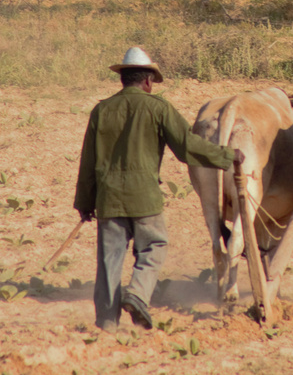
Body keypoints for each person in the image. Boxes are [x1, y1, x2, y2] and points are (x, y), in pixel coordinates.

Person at [74, 46, 242, 333]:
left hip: (108, 199)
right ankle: (138, 293)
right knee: (154, 246)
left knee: (109, 260)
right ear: (149, 81)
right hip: (144, 198)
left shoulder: (101, 110)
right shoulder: (159, 108)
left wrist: (85, 203)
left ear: (122, 79)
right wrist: (228, 156)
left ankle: (106, 322)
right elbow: (188, 148)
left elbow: (87, 162)